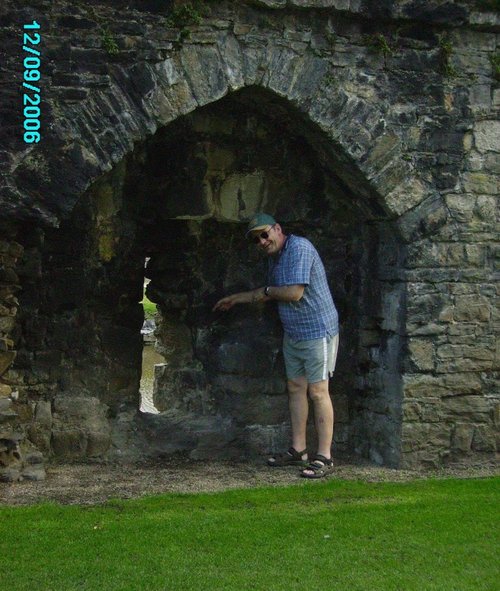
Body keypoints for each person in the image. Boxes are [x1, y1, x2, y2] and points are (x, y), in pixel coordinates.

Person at [212, 213, 339, 478]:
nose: (262, 241)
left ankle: (324, 457)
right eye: (257, 239)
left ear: (277, 229)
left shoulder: (299, 248)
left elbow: (293, 293)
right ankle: (298, 450)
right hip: (294, 333)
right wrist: (236, 299)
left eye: (264, 234)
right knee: (295, 388)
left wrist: (267, 292)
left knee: (318, 392)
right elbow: (266, 292)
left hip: (317, 331)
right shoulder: (276, 257)